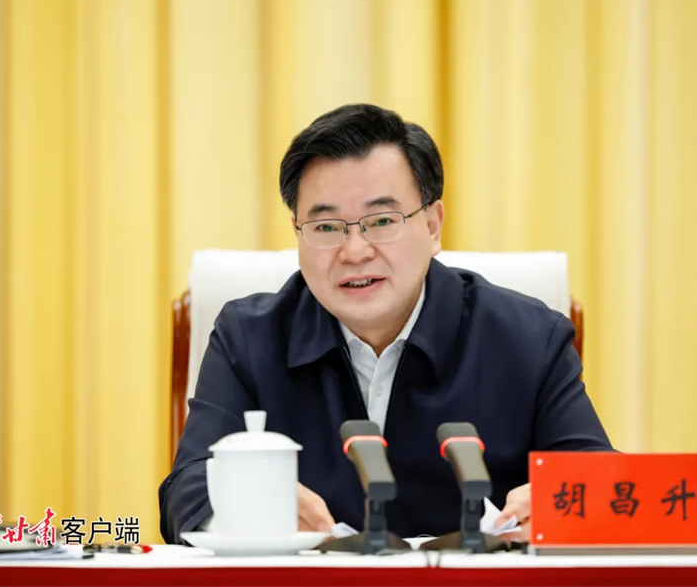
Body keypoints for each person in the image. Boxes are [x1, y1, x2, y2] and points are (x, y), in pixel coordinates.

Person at [158, 103, 612, 545]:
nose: (355, 251)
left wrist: (566, 507)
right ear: (298, 231)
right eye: (326, 227)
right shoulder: (248, 338)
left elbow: (606, 487)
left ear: (433, 225)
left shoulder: (529, 339)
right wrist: (242, 512)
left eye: (380, 221)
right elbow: (186, 492)